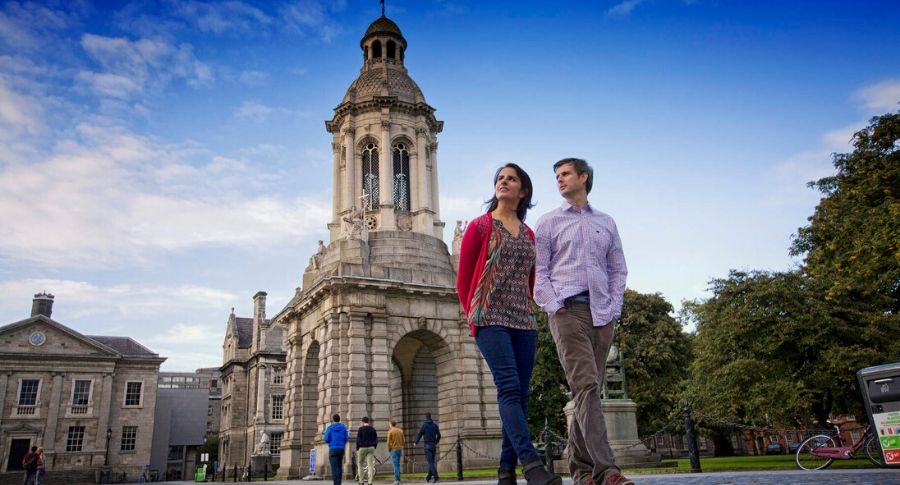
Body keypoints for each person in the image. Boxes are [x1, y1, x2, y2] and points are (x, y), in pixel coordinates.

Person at [456, 163, 561, 485]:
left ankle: (505, 471)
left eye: (511, 179)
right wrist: (472, 316)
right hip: (489, 318)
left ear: (523, 190)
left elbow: (531, 280)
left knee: (520, 396)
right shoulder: (480, 226)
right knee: (509, 388)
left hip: (523, 321)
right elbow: (463, 280)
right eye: (500, 179)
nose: (503, 182)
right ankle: (531, 465)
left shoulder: (530, 234)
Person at [534, 158, 632, 485]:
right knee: (588, 385)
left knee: (586, 392)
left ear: (583, 177)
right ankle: (607, 471)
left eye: (565, 174)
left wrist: (614, 306)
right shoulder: (548, 222)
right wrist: (555, 306)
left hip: (603, 314)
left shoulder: (606, 222)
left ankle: (579, 471)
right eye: (556, 176)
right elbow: (540, 273)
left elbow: (618, 269)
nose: (559, 180)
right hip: (568, 312)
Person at [413, 413, 441, 483]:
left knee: (431, 463)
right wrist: (435, 442)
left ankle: (436, 477)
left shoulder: (424, 426)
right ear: (430, 417)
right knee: (431, 462)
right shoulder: (435, 425)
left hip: (427, 446)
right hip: (433, 446)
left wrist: (415, 442)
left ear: (426, 417)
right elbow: (439, 436)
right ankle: (428, 477)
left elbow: (419, 434)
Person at [324, 414, 350, 485]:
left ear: (333, 419)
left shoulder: (330, 427)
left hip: (332, 448)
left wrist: (331, 441)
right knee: (339, 466)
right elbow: (347, 438)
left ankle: (336, 483)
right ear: (339, 419)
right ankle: (339, 482)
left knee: (334, 467)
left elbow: (326, 439)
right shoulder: (343, 427)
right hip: (341, 449)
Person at [355, 416, 377, 485]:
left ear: (362, 421)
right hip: (371, 447)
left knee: (360, 464)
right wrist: (374, 446)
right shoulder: (373, 429)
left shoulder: (360, 429)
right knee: (370, 465)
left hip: (362, 447)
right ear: (368, 421)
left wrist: (357, 448)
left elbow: (358, 439)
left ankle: (361, 481)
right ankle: (370, 481)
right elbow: (376, 439)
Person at [387, 420, 405, 485]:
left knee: (395, 465)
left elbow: (388, 442)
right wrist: (401, 446)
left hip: (393, 449)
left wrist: (389, 449)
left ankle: (397, 480)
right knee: (398, 464)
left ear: (391, 424)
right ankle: (398, 479)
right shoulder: (400, 431)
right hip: (399, 449)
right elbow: (403, 440)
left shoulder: (390, 431)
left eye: (389, 424)